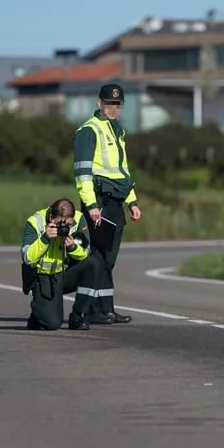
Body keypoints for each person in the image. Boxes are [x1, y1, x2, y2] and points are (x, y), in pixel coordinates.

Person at [73, 82, 142, 324]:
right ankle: (93, 310)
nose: (113, 108)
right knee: (98, 257)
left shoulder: (117, 130)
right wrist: (91, 206)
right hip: (100, 202)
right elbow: (82, 173)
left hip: (116, 202)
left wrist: (132, 201)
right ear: (99, 103)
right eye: (109, 103)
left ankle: (106, 308)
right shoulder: (88, 130)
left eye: (117, 104)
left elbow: (122, 170)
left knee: (108, 259)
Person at [21, 198, 114, 331]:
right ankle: (38, 312)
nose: (64, 228)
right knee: (52, 324)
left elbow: (86, 253)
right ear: (51, 217)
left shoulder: (79, 218)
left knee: (94, 263)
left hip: (63, 273)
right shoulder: (36, 222)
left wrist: (72, 247)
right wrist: (44, 239)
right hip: (42, 277)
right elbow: (27, 257)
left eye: (68, 225)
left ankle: (78, 315)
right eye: (60, 224)